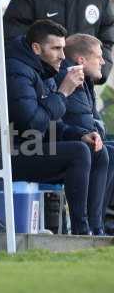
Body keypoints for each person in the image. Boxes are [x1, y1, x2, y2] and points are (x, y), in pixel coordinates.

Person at [6, 19, 108, 235]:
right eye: (56, 48)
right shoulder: (17, 71)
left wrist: (81, 135)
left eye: (63, 48)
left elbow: (55, 126)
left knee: (97, 151)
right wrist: (63, 93)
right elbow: (31, 125)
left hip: (31, 147)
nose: (63, 55)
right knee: (78, 153)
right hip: (7, 152)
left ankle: (96, 229)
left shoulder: (45, 71)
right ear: (36, 48)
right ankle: (80, 232)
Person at [56, 33, 114, 235]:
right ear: (81, 60)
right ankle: (89, 227)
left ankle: (99, 224)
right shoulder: (65, 77)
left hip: (84, 141)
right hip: (63, 143)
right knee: (101, 153)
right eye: (98, 56)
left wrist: (96, 132)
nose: (103, 61)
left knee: (109, 152)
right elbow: (63, 120)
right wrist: (87, 133)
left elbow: (93, 119)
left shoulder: (86, 81)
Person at [3, 0, 114, 84]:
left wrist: (96, 73)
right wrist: (43, 73)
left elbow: (106, 40)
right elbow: (13, 38)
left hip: (83, 89)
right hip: (40, 87)